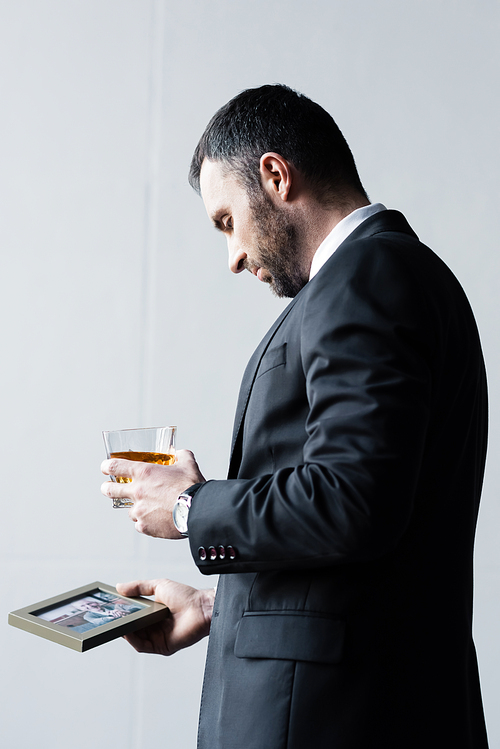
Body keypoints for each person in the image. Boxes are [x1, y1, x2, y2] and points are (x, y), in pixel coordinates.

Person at [101, 85, 489, 748]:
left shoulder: (366, 280)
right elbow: (377, 558)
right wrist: (213, 606)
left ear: (276, 176)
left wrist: (194, 506)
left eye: (227, 221)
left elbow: (352, 499)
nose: (233, 257)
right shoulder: (392, 277)